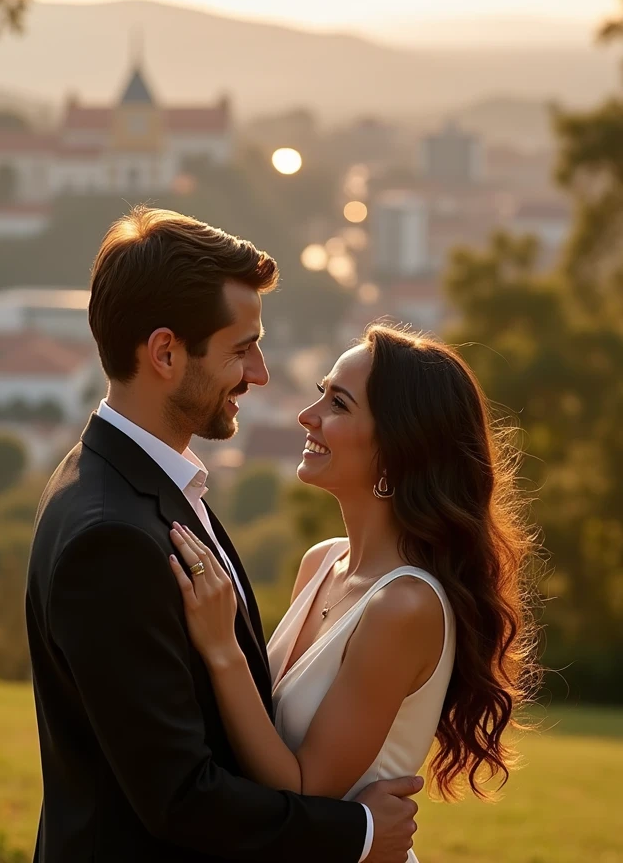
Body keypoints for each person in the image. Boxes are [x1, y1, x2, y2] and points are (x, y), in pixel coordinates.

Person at [25, 207, 421, 863]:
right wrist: (360, 834)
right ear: (165, 353)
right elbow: (180, 796)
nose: (260, 373)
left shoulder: (136, 484)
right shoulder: (111, 537)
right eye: (242, 348)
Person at [169, 324, 541, 861]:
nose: (308, 414)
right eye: (321, 391)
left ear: (396, 449)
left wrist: (222, 647)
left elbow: (303, 790)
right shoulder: (321, 562)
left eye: (338, 403)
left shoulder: (404, 606)